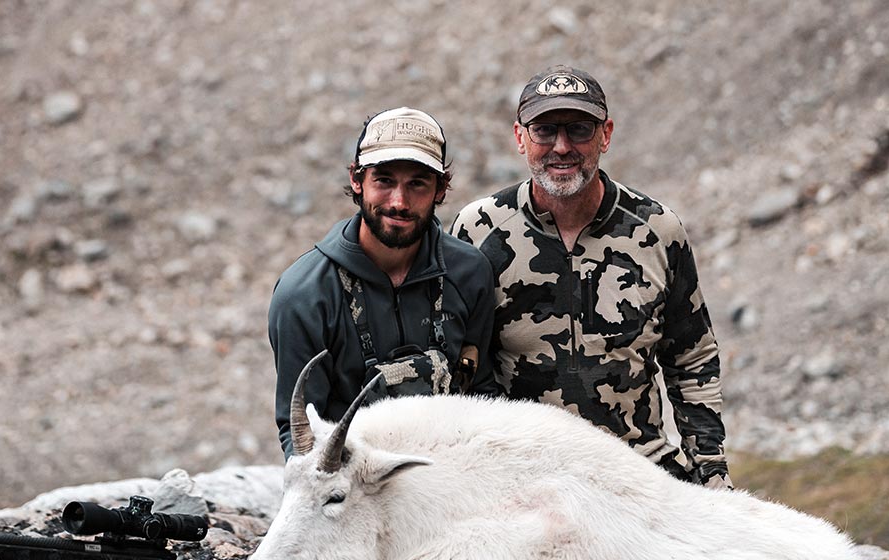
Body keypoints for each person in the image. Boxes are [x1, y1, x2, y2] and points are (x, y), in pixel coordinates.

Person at [451, 66, 732, 488]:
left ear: (606, 134)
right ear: (520, 137)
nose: (562, 147)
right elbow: (460, 369)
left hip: (640, 475)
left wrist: (712, 477)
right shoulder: (476, 230)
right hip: (522, 483)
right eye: (545, 131)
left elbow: (691, 361)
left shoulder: (657, 230)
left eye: (579, 130)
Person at [269, 107, 497, 459]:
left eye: (417, 183)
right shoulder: (304, 295)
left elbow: (482, 396)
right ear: (357, 180)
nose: (399, 202)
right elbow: (302, 433)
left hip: (453, 479)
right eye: (384, 180)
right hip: (355, 491)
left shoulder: (470, 274)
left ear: (441, 189)